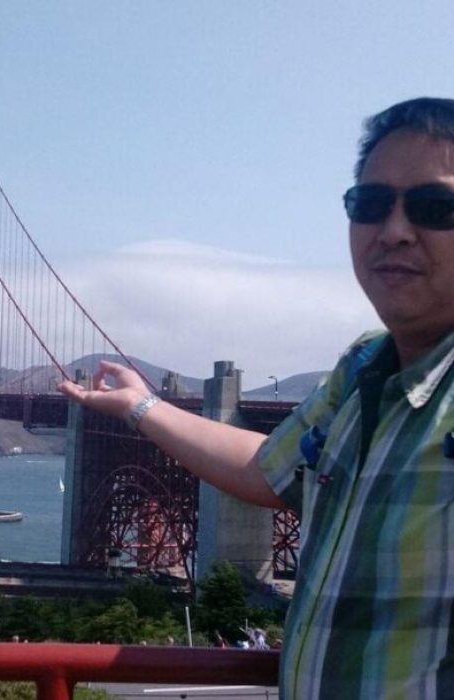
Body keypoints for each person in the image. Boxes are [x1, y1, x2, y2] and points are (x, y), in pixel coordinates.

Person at [59, 97, 454, 698]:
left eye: (434, 207)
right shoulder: (363, 368)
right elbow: (268, 469)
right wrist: (142, 406)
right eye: (370, 204)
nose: (394, 231)